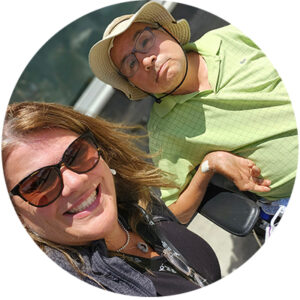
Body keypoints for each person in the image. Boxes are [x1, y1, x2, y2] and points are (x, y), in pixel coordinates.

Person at [2, 102, 271, 296]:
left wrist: (208, 166)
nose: (75, 182)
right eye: (38, 183)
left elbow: (173, 220)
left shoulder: (133, 207)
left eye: (76, 154)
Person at [89, 1, 298, 223]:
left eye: (145, 41)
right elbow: (176, 216)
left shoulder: (231, 38)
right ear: (134, 85)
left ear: (168, 31)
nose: (146, 60)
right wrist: (209, 164)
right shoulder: (166, 132)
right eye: (131, 64)